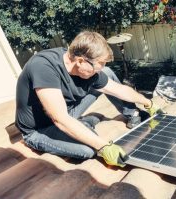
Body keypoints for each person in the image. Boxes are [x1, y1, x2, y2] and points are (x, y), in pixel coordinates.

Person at [15, 31, 160, 167]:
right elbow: (60, 119)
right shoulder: (44, 66)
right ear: (80, 61)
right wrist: (104, 146)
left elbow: (119, 89)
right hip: (40, 129)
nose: (99, 70)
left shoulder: (85, 68)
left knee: (108, 74)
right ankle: (81, 125)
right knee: (88, 150)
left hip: (67, 111)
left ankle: (131, 115)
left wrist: (148, 102)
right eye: (99, 66)